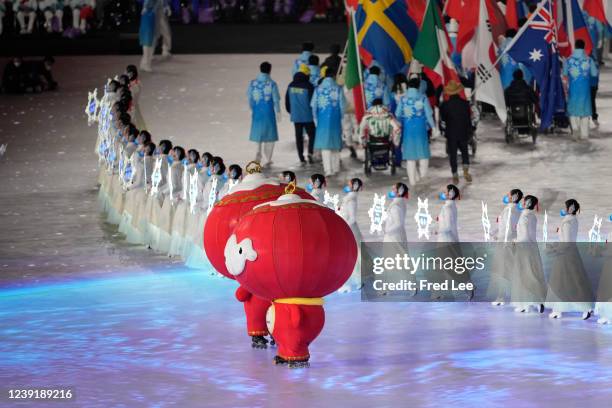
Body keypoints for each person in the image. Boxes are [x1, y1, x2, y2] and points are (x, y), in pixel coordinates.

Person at [545, 199, 594, 319]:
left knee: (568, 281)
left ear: (571, 208)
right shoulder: (570, 221)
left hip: (565, 254)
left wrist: (555, 248)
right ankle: (559, 309)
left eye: (566, 207)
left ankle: (585, 307)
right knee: (566, 281)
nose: (564, 209)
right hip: (567, 253)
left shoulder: (568, 222)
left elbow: (566, 241)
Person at [395, 78, 434, 187]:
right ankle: (422, 177)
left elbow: (397, 114)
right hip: (421, 130)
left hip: (408, 131)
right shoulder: (423, 98)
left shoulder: (403, 100)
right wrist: (434, 127)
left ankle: (412, 182)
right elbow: (429, 115)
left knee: (410, 157)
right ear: (418, 86)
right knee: (423, 155)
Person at [511, 195, 546, 314]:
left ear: (527, 203)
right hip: (532, 247)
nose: (523, 202)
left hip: (524, 248)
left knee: (524, 274)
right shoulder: (532, 216)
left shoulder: (524, 217)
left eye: (524, 201)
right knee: (532, 273)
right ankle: (530, 302)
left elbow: (524, 236)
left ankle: (528, 302)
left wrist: (515, 241)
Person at [488, 189, 523, 306]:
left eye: (508, 194)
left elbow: (509, 229)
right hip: (506, 242)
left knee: (505, 269)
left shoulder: (512, 211)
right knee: (507, 269)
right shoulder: (510, 209)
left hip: (506, 243)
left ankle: (502, 296)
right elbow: (503, 225)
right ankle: (506, 295)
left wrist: (499, 237)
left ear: (514, 197)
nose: (506, 196)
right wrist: (494, 232)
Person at [311, 68, 345, 177]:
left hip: (322, 121)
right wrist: (341, 117)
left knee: (325, 146)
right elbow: (343, 106)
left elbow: (313, 105)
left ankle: (328, 170)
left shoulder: (318, 89)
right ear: (334, 76)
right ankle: (336, 168)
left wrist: (316, 117)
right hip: (335, 120)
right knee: (335, 145)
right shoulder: (338, 89)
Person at [563, 39, 598, 140]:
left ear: (575, 46)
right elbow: (594, 74)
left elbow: (564, 74)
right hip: (585, 90)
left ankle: (575, 128)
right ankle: (584, 134)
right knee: (585, 112)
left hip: (573, 89)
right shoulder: (588, 60)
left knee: (572, 110)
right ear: (584, 47)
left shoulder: (569, 60)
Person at [439, 80, 473, 184]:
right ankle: (466, 171)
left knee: (452, 154)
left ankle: (455, 174)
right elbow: (468, 118)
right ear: (458, 91)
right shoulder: (465, 103)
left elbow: (443, 119)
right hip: (463, 131)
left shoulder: (445, 105)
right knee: (464, 152)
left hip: (451, 132)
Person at [247, 61, 280, 167]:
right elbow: (276, 99)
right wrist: (278, 111)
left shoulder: (253, 83)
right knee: (269, 136)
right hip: (269, 113)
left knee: (258, 135)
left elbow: (250, 97)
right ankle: (268, 158)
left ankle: (257, 155)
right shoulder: (272, 84)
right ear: (270, 70)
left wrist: (251, 108)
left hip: (257, 112)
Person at [338, 177, 363, 293]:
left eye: (350, 183)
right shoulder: (349, 198)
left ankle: (360, 279)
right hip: (349, 228)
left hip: (350, 229)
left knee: (356, 254)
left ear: (354, 185)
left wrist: (344, 228)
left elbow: (352, 218)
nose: (347, 184)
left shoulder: (351, 200)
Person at [285, 70, 315, 165]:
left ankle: (301, 157)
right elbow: (312, 101)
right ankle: (310, 152)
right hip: (307, 116)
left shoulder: (290, 85)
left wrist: (291, 112)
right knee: (312, 135)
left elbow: (287, 101)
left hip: (296, 116)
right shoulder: (308, 86)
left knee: (298, 137)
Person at [139, 0, 157, 72]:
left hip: (151, 14)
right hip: (148, 14)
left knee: (150, 40)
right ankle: (145, 63)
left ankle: (144, 63)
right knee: (147, 40)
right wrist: (145, 7)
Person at [126, 65, 146, 129]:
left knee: (135, 123)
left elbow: (134, 95)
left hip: (132, 106)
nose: (129, 75)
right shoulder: (127, 82)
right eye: (128, 73)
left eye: (131, 73)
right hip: (128, 106)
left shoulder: (137, 84)